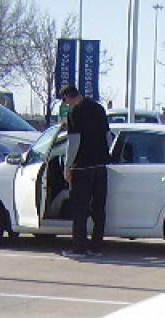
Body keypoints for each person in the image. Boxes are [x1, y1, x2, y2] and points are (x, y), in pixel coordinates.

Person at [58, 85, 110, 257]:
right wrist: (104, 155)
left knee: (79, 209)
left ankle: (79, 248)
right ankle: (97, 247)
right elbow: (108, 136)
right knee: (98, 208)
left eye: (64, 100)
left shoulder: (75, 113)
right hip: (101, 167)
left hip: (82, 167)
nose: (65, 104)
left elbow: (74, 141)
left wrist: (67, 166)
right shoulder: (99, 109)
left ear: (67, 97)